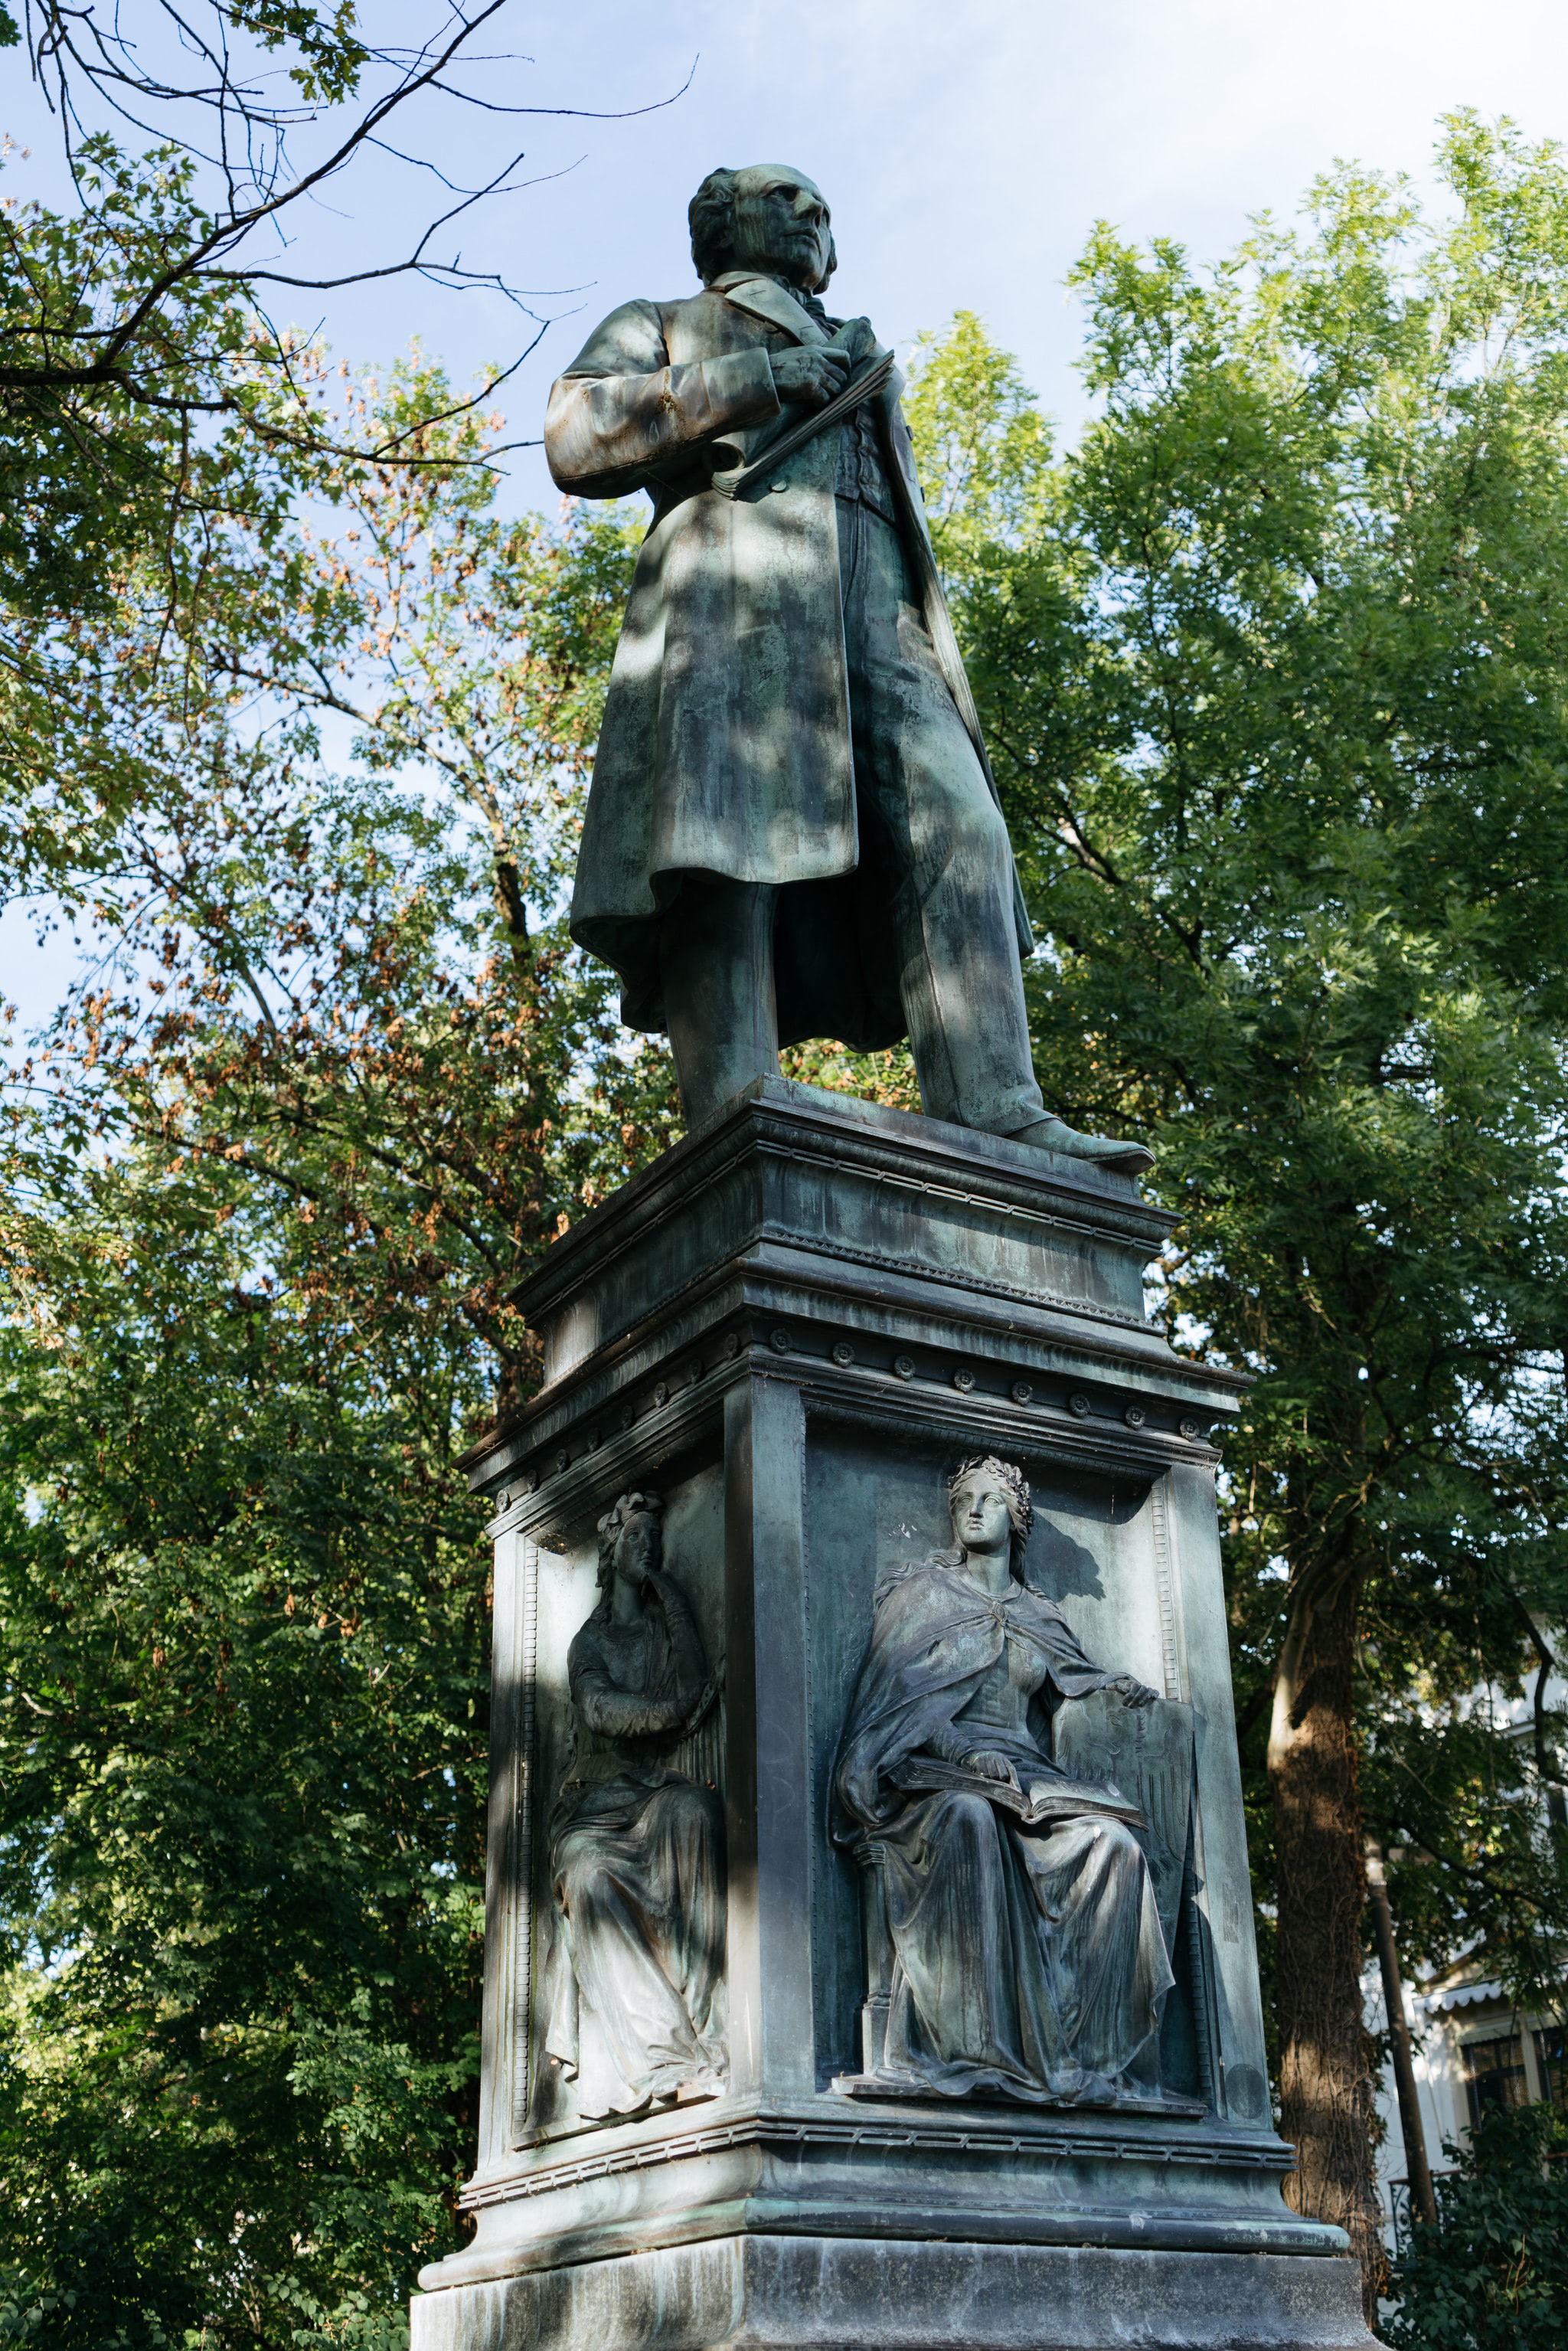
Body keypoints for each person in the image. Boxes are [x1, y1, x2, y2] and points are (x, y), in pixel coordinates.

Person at [544, 165, 1152, 1176]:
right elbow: (574, 434)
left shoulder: (859, 345)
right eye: (784, 198)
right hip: (734, 594)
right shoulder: (667, 321)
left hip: (882, 609)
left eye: (822, 207)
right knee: (722, 849)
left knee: (962, 826)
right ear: (723, 224)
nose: (812, 215)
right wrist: (759, 379)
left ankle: (996, 1105)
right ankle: (735, 1122)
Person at [832, 1456, 1173, 2101]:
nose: (974, 1509)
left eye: (990, 1499)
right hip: (933, 1774)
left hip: (1029, 1778)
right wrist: (963, 1753)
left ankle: (1086, 2052)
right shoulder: (924, 1598)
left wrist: (1117, 1690)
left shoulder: (1037, 1614)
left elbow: (1075, 1679)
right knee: (970, 1817)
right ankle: (975, 2048)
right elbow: (900, 1704)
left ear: (1016, 1518)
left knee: (1116, 1846)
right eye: (963, 1499)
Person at [546, 1492, 727, 2119]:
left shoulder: (658, 1630)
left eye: (654, 1537)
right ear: (612, 1553)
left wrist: (674, 1602)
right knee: (589, 1874)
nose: (647, 1547)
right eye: (635, 1538)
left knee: (695, 1814)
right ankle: (664, 2055)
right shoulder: (588, 1643)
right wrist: (671, 1712)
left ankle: (714, 2030)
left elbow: (694, 1682)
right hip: (592, 1807)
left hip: (653, 1794)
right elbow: (601, 1710)